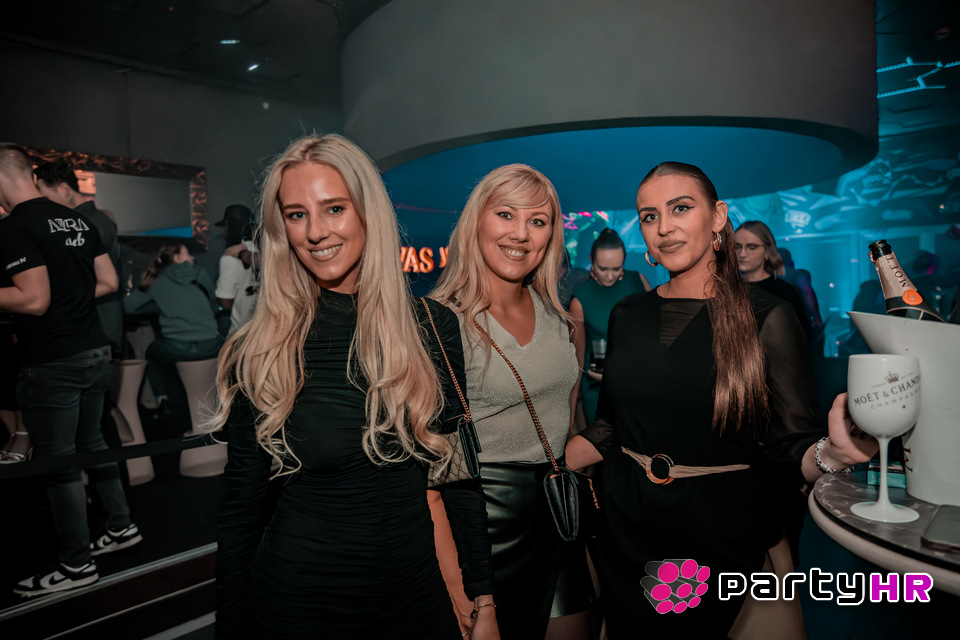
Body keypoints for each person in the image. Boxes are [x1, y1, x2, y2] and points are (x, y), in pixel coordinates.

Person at [565, 162, 877, 638]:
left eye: (680, 208)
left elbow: (790, 445)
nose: (663, 227)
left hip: (721, 537)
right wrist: (537, 468)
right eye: (649, 216)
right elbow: (609, 425)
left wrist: (831, 456)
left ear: (717, 217)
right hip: (626, 534)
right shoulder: (628, 313)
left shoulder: (767, 316)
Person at [211, 133, 498, 639]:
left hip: (416, 599)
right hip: (301, 607)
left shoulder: (432, 327)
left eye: (334, 208)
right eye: (296, 214)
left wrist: (484, 599)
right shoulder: (260, 350)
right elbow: (241, 511)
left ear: (368, 212)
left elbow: (459, 481)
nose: (315, 232)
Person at [431, 164, 591, 640]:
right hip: (482, 521)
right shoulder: (440, 322)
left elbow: (568, 420)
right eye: (505, 214)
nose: (521, 233)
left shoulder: (560, 316)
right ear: (476, 220)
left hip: (558, 512)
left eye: (537, 221)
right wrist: (457, 584)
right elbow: (429, 476)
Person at [0, 144, 141, 596]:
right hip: (94, 350)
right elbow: (108, 282)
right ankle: (120, 526)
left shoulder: (14, 226)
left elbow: (33, 298)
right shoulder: (76, 219)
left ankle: (76, 564)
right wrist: (68, 297)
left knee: (59, 465)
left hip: (53, 359)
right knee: (93, 444)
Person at [34, 161, 124, 354]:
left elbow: (106, 282)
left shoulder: (84, 224)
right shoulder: (98, 218)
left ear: (64, 189)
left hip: (97, 323)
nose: (42, 205)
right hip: (101, 320)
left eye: (45, 198)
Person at [124, 243, 223, 419]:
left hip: (176, 347)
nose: (192, 257)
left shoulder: (156, 279)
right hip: (211, 345)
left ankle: (162, 399)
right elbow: (215, 306)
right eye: (187, 254)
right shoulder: (201, 273)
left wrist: (158, 306)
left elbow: (128, 306)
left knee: (152, 354)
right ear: (176, 258)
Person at [569, 228, 650, 426]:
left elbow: (653, 335)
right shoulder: (580, 301)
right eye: (603, 268)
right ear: (591, 260)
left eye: (617, 268)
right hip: (598, 391)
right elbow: (577, 361)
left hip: (638, 386)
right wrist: (571, 416)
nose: (610, 276)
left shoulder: (638, 282)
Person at [735, 220, 813, 341]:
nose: (742, 254)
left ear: (767, 252)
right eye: (737, 247)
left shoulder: (785, 292)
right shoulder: (728, 291)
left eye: (751, 247)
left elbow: (802, 336)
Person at [214, 204, 260, 338]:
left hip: (242, 335)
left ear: (230, 226)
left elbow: (225, 302)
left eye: (225, 227)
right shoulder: (263, 250)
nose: (223, 232)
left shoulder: (230, 256)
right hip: (265, 331)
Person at [778, 247, 824, 343]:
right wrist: (817, 319)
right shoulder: (798, 274)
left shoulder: (764, 279)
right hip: (797, 326)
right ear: (792, 263)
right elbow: (807, 291)